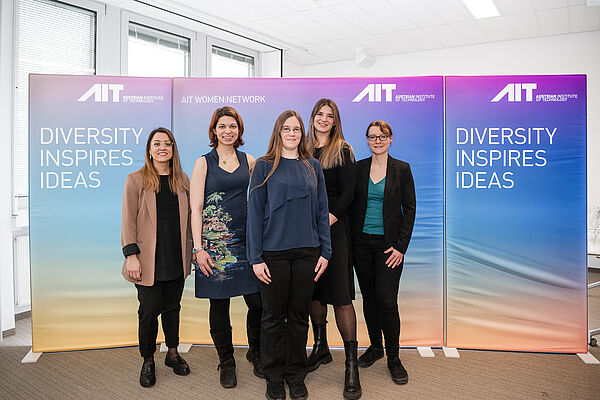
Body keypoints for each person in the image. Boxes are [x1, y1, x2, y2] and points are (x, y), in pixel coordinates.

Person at [247, 110, 331, 400]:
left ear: (302, 133)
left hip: (308, 253)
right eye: (287, 129)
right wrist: (255, 258)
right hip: (273, 254)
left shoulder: (313, 166)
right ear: (278, 132)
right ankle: (273, 375)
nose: (292, 134)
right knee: (272, 317)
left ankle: (296, 374)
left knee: (298, 316)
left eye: (296, 129)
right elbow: (254, 214)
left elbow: (322, 211)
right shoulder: (264, 166)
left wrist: (326, 251)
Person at [190, 106, 263, 389]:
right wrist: (198, 248)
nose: (227, 131)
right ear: (214, 131)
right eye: (222, 126)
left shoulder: (251, 160)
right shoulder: (203, 162)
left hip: (246, 241)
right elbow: (196, 208)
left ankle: (255, 352)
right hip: (214, 243)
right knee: (219, 305)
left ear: (239, 130)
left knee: (257, 302)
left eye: (232, 126)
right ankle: (227, 361)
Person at [121, 127, 192, 388]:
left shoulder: (182, 180)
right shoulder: (136, 180)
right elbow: (127, 220)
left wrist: (194, 250)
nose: (163, 147)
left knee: (173, 308)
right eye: (157, 143)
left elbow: (189, 221)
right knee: (149, 312)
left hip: (176, 255)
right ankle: (148, 360)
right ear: (149, 150)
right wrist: (132, 256)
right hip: (147, 258)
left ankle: (172, 354)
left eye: (168, 143)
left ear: (173, 150)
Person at [350, 120, 416, 385]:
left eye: (382, 136)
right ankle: (375, 347)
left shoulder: (402, 169)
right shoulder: (358, 169)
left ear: (391, 139)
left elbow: (409, 209)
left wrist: (400, 247)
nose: (377, 140)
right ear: (367, 140)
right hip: (361, 245)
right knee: (368, 296)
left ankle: (393, 358)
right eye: (372, 136)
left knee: (388, 301)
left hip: (389, 247)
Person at [306, 99, 361, 399]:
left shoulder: (343, 149)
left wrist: (328, 219)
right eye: (319, 114)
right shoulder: (300, 147)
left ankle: (350, 365)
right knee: (314, 291)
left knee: (339, 295)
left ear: (335, 120)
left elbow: (349, 192)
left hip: (335, 230)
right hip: (305, 233)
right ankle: (320, 347)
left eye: (330, 116)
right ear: (312, 117)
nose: (324, 119)